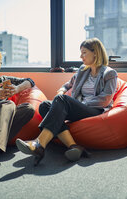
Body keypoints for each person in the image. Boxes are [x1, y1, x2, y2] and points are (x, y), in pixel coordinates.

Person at [15, 38, 118, 166]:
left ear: (95, 53)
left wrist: (79, 104)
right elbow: (68, 85)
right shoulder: (83, 70)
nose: (81, 56)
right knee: (44, 105)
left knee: (61, 101)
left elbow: (105, 99)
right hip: (79, 106)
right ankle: (73, 146)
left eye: (84, 52)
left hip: (95, 109)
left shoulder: (109, 73)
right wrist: (61, 90)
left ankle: (39, 144)